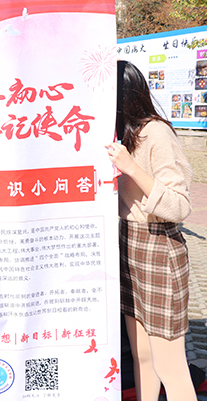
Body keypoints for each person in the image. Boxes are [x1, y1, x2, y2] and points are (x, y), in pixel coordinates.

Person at [106, 61, 196, 401]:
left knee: (170, 365)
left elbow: (179, 206)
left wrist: (130, 167)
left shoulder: (156, 132)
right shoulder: (120, 135)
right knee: (141, 355)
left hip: (159, 247)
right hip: (128, 244)